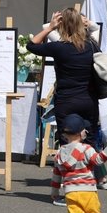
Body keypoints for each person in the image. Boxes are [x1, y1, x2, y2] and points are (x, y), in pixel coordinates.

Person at [27, 10, 100, 150]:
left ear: (62, 26)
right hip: (88, 100)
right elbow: (95, 29)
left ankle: (68, 170)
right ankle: (89, 170)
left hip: (66, 101)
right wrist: (86, 22)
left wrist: (50, 27)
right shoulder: (91, 45)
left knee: (67, 144)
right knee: (89, 144)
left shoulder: (58, 47)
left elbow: (31, 45)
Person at [51, 114, 107, 213]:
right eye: (84, 129)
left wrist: (54, 191)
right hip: (88, 191)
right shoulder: (86, 149)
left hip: (70, 192)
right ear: (81, 133)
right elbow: (98, 160)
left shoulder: (60, 152)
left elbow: (56, 174)